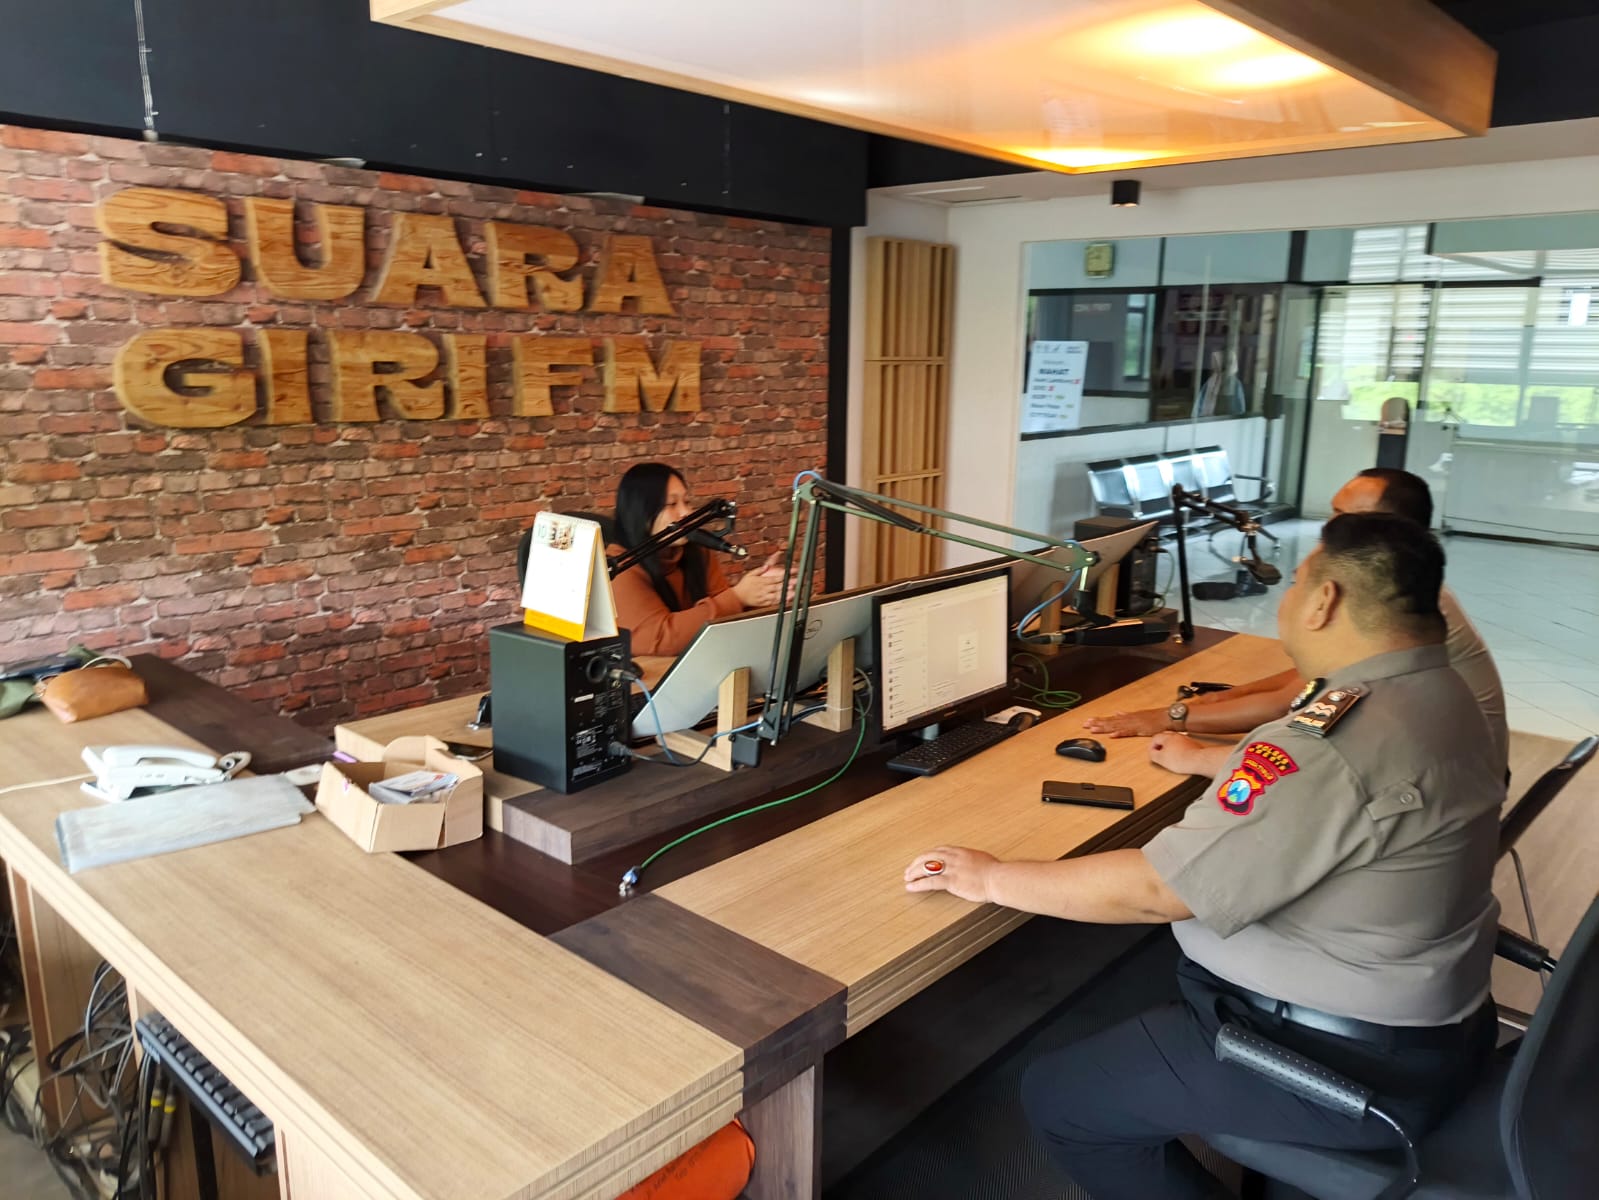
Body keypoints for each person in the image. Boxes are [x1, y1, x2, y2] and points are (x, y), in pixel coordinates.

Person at [904, 514, 1504, 1200]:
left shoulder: (1332, 740)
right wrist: (1212, 760)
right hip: (1437, 1030)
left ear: (1323, 600)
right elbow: (1336, 800)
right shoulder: (1441, 695)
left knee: (1060, 1098)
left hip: (1342, 1062)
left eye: (1295, 582)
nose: (1286, 599)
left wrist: (989, 876)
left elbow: (1157, 892)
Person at [1084, 467, 1508, 774]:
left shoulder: (1396, 601)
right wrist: (1215, 700)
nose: (1330, 528)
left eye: (1344, 517)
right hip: (1450, 770)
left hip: (1452, 776)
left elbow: (1291, 702)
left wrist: (1168, 719)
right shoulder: (1411, 585)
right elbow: (1312, 679)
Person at [608, 462, 787, 656]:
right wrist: (737, 597)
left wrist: (761, 591)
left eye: (687, 502)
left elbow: (725, 613)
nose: (686, 512)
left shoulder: (697, 551)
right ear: (641, 513)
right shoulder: (618, 568)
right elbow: (657, 639)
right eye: (672, 504)